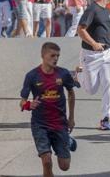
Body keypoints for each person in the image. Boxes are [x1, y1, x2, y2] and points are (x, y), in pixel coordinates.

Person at [20, 42, 76, 177]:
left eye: (58, 56)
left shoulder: (63, 73)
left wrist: (71, 118)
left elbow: (71, 93)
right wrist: (28, 105)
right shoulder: (32, 76)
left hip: (60, 124)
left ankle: (67, 141)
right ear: (43, 55)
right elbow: (22, 102)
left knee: (64, 166)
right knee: (47, 162)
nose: (55, 58)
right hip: (40, 125)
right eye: (52, 55)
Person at [76, 0, 110, 130]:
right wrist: (94, 44)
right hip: (91, 55)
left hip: (108, 55)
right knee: (91, 90)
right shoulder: (92, 9)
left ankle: (105, 118)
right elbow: (80, 30)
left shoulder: (106, 10)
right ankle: (78, 75)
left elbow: (107, 31)